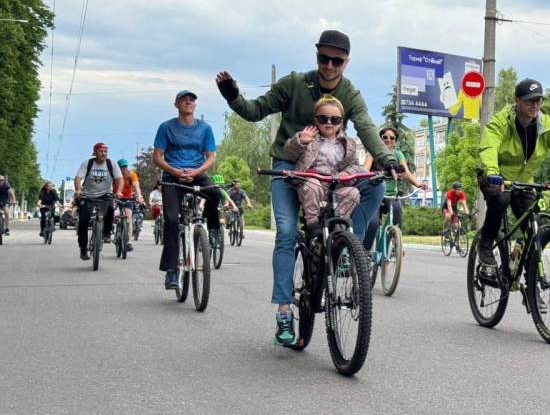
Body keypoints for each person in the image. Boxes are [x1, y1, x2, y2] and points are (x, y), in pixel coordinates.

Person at [215, 29, 402, 346]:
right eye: (323, 58)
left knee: (375, 188)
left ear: (346, 63)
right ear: (316, 56)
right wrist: (233, 96)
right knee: (287, 231)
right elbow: (255, 110)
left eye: (337, 61)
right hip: (289, 164)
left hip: (331, 167)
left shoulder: (351, 95)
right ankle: (285, 312)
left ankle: (346, 247)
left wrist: (386, 159)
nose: (329, 66)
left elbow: (368, 128)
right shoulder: (294, 83)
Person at [477, 78, 550, 275]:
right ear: (517, 101)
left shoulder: (545, 124)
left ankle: (532, 286)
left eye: (538, 101)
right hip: (497, 177)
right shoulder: (501, 121)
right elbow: (489, 145)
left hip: (524, 182)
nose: (535, 106)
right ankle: (486, 244)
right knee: (500, 199)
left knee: (534, 228)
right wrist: (491, 171)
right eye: (529, 101)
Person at [153, 90, 221, 290]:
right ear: (176, 104)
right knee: (173, 220)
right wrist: (174, 171)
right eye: (184, 100)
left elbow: (210, 157)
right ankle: (172, 271)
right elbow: (157, 157)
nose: (188, 103)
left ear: (195, 106)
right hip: (172, 176)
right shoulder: (166, 127)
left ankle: (211, 229)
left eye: (191, 100)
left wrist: (196, 171)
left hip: (196, 172)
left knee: (215, 192)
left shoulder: (205, 128)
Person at [284, 95, 361, 245]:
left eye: (335, 119)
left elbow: (354, 164)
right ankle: (312, 223)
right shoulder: (309, 137)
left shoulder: (349, 143)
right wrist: (300, 141)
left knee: (353, 193)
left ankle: (338, 226)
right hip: (311, 182)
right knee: (313, 185)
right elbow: (289, 153)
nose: (329, 123)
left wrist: (348, 173)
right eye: (323, 118)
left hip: (335, 184)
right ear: (315, 120)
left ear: (341, 122)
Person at [362, 126, 427, 251]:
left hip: (391, 194)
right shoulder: (372, 152)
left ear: (395, 141)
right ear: (380, 139)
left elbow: (406, 172)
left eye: (392, 138)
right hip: (374, 192)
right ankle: (365, 251)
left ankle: (395, 244)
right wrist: (372, 174)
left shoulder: (398, 154)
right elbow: (365, 169)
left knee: (397, 210)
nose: (388, 140)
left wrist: (418, 184)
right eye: (385, 137)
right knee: (374, 223)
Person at [74, 142, 124, 260]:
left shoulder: (111, 164)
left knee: (110, 208)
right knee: (84, 221)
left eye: (105, 151)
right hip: (88, 195)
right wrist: (78, 190)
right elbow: (78, 178)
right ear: (95, 152)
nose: (103, 153)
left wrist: (119, 191)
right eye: (101, 151)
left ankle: (106, 234)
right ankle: (83, 249)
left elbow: (120, 179)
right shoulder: (88, 163)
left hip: (105, 194)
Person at [116, 159, 145, 252]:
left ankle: (128, 242)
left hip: (128, 198)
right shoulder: (114, 175)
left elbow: (136, 186)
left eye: (125, 166)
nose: (124, 168)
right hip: (116, 197)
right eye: (122, 167)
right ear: (118, 167)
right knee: (110, 211)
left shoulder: (131, 175)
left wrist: (139, 197)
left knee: (129, 219)